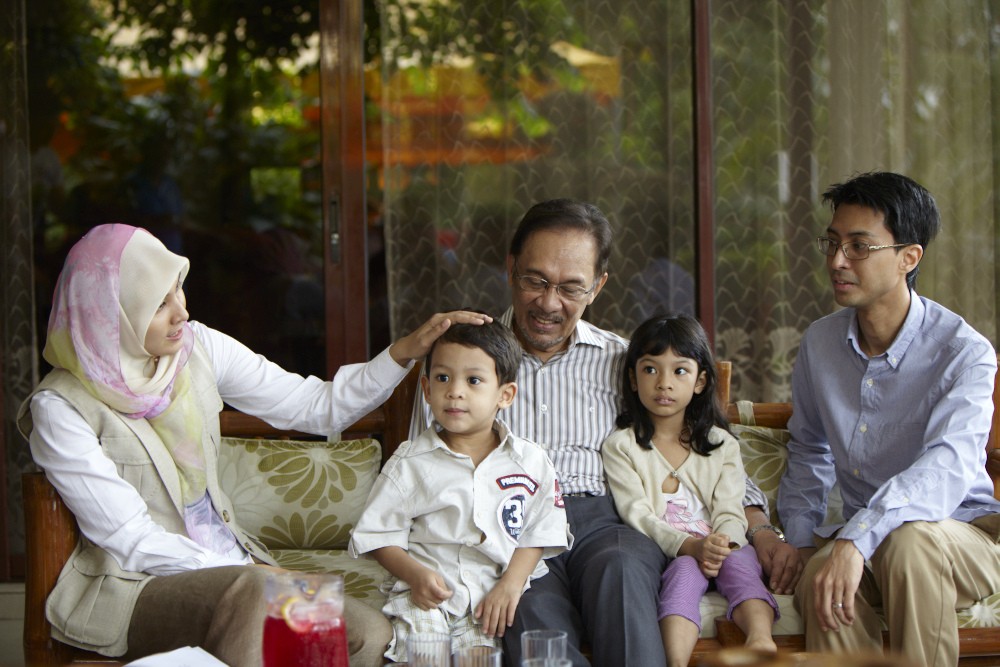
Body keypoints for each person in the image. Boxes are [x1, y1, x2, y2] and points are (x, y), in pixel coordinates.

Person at [16, 223, 493, 667]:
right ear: (110, 313)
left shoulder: (197, 347)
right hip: (135, 589)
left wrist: (402, 352)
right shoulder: (61, 407)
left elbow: (315, 407)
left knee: (367, 633)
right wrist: (244, 572)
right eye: (158, 304)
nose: (182, 311)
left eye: (178, 289)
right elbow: (129, 538)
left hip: (239, 572)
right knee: (250, 595)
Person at [410, 198, 802, 666]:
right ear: (511, 269)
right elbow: (424, 465)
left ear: (597, 287)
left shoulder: (625, 364)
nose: (549, 302)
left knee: (622, 572)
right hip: (510, 528)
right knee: (529, 613)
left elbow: (702, 449)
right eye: (536, 280)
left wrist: (760, 529)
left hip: (607, 522)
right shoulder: (463, 365)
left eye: (571, 287)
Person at [776, 171, 1000, 666]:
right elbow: (810, 450)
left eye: (859, 246)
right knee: (819, 580)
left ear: (909, 257)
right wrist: (801, 540)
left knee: (909, 542)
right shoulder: (820, 343)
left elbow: (946, 466)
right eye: (832, 243)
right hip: (867, 540)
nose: (837, 261)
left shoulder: (964, 353)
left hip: (960, 535)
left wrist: (857, 537)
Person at [350, 318, 569, 662]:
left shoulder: (530, 460)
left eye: (473, 380)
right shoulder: (410, 462)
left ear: (505, 395)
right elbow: (377, 536)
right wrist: (415, 575)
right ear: (426, 389)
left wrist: (511, 584)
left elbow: (541, 530)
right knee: (426, 656)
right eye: (442, 378)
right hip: (424, 598)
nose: (455, 391)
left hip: (486, 601)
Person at [602, 314, 778, 667]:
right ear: (633, 379)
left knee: (740, 566)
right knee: (682, 576)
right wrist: (691, 547)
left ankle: (761, 641)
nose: (664, 383)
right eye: (650, 369)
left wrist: (722, 545)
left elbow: (730, 508)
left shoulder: (721, 445)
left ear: (700, 381)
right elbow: (637, 514)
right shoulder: (622, 446)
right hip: (674, 552)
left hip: (723, 545)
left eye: (679, 370)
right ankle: (677, 662)